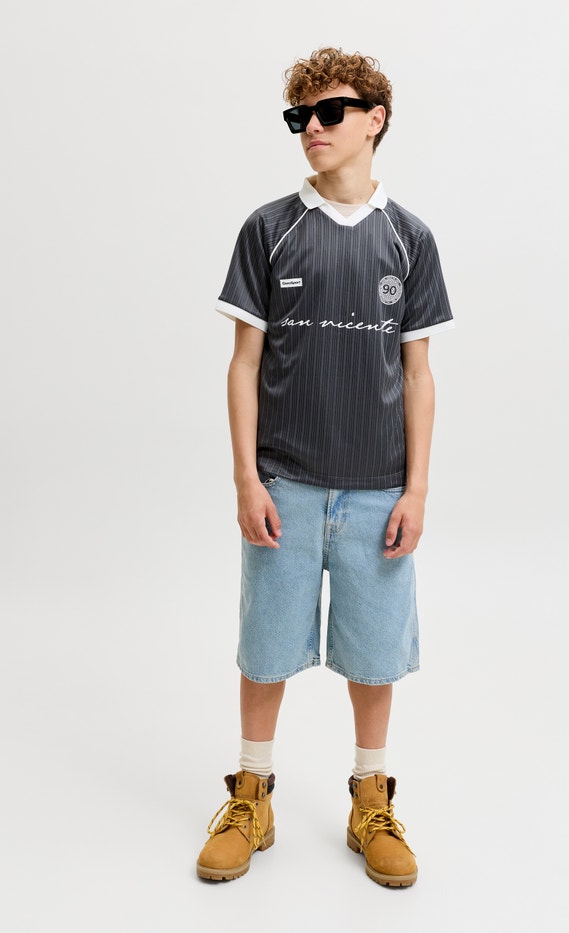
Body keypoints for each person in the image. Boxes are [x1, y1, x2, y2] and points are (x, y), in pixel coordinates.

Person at [196, 46, 454, 888]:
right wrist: (247, 479)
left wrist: (417, 489)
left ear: (375, 120)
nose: (312, 127)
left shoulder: (409, 239)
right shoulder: (270, 229)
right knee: (266, 646)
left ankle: (371, 798)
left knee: (374, 654)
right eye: (300, 116)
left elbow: (418, 374)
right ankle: (251, 794)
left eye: (330, 112)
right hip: (286, 482)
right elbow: (244, 363)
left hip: (378, 489)